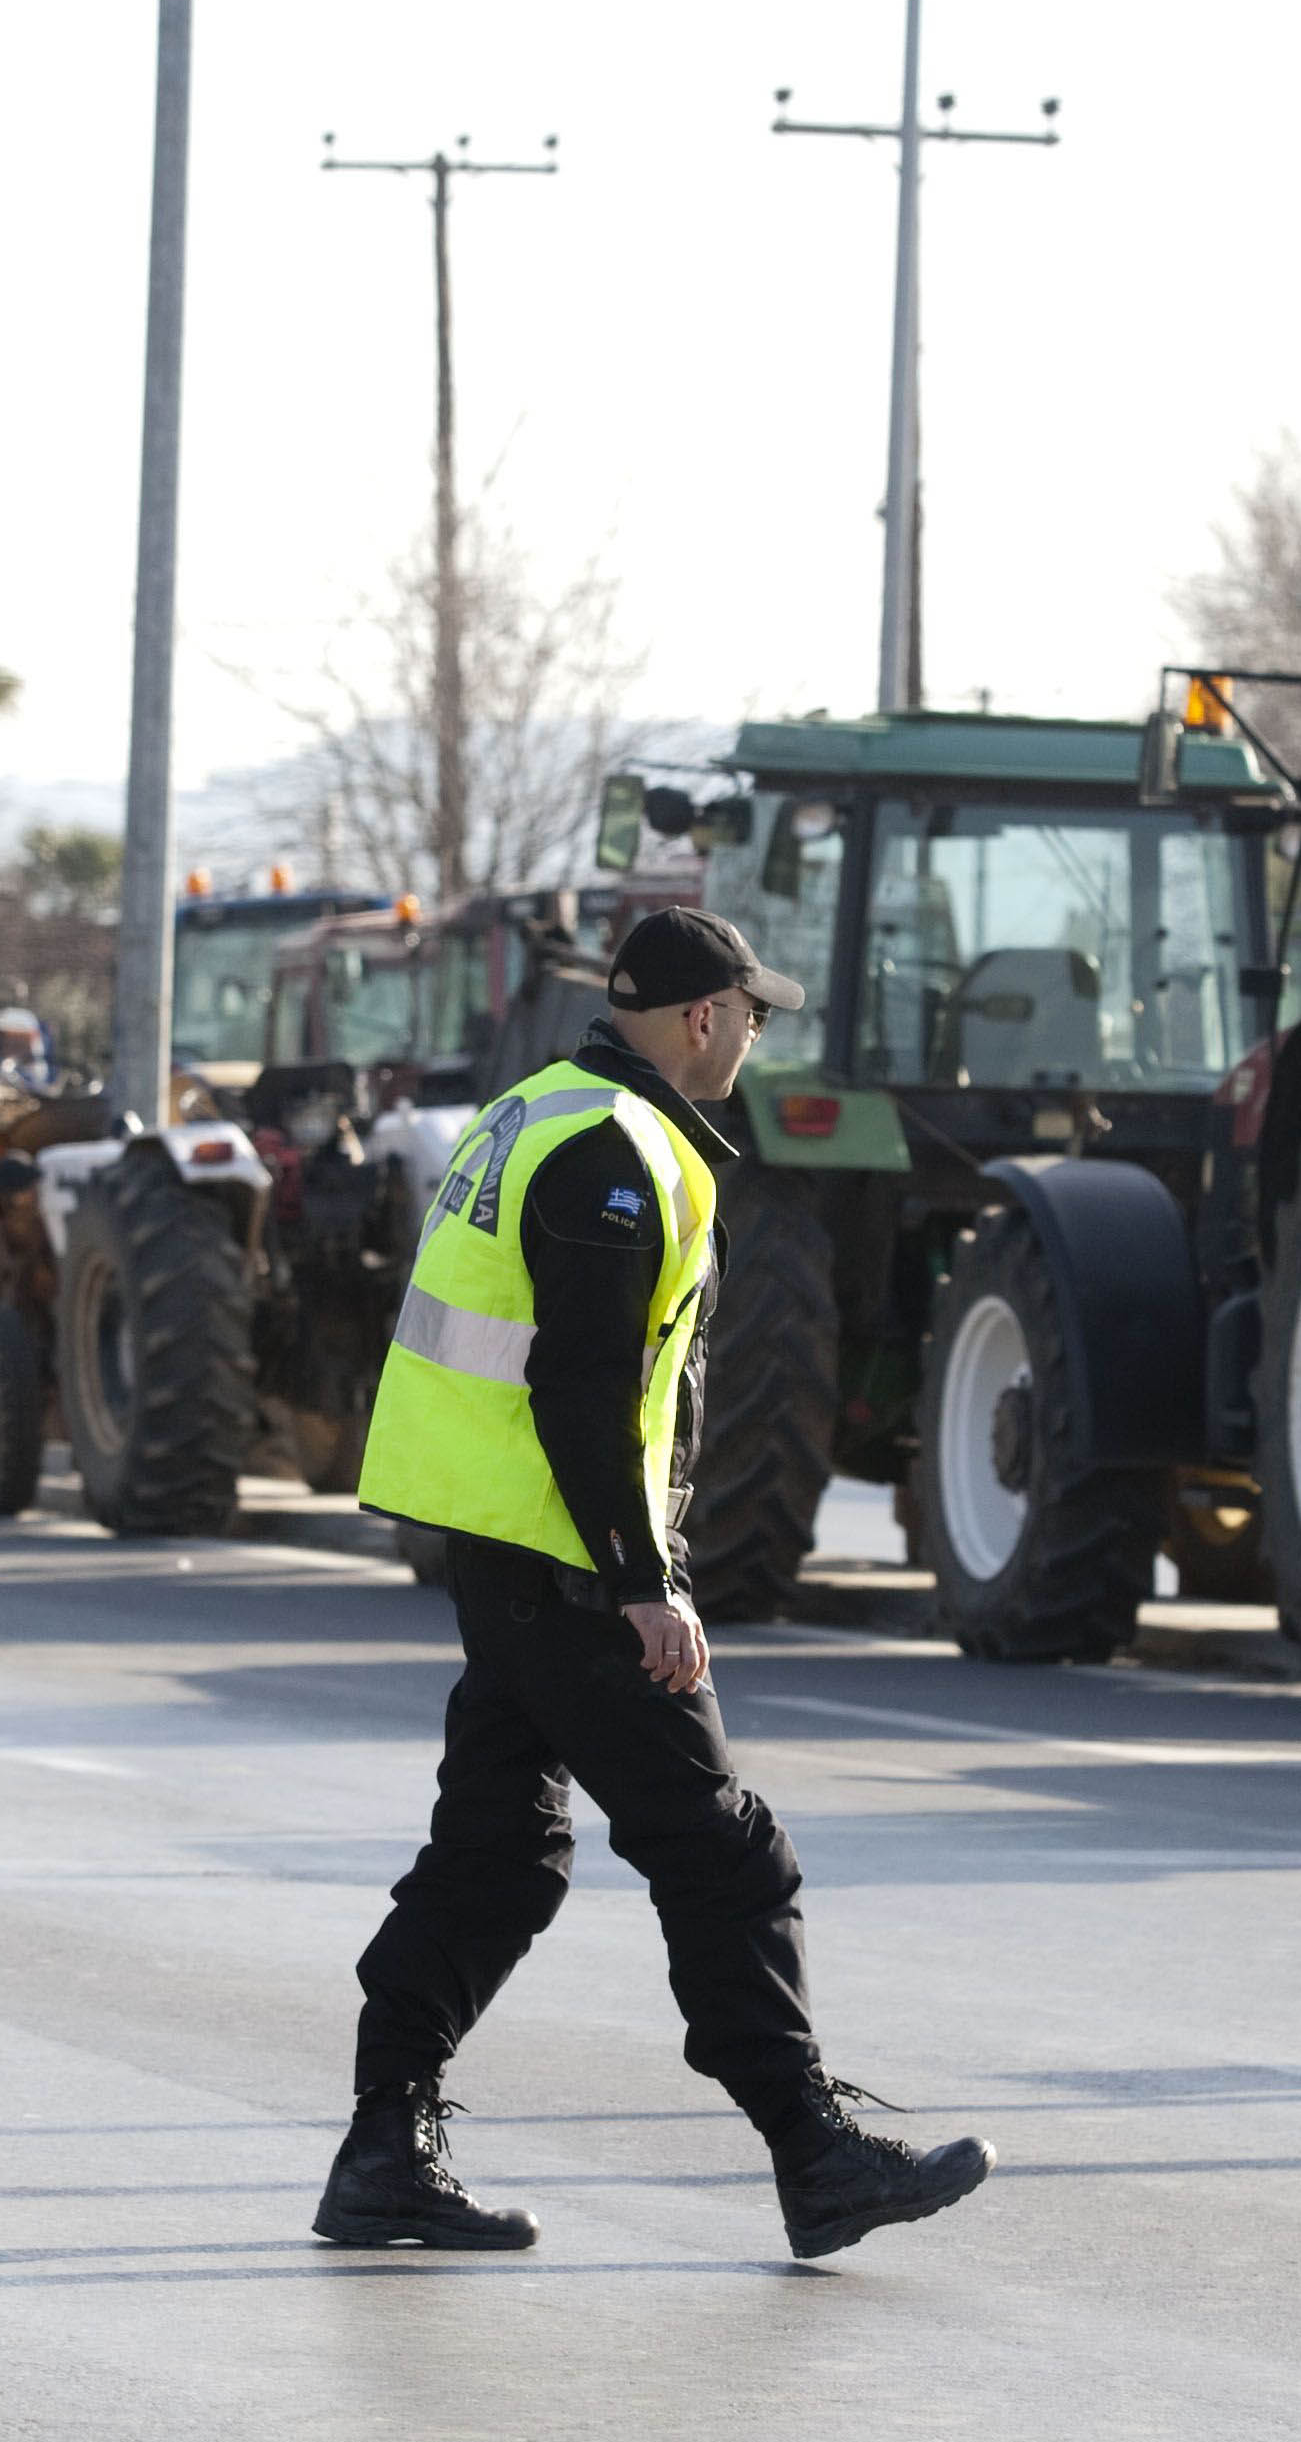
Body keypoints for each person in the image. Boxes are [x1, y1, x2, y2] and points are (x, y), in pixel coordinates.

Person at [313, 905, 996, 2261]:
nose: (754, 1032)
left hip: (505, 1545)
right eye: (750, 1011)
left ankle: (383, 2148)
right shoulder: (618, 1156)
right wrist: (642, 1582)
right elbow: (580, 1389)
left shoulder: (538, 1110)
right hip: (567, 1561)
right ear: (701, 1017)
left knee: (499, 1854)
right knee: (719, 1847)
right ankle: (814, 2151)